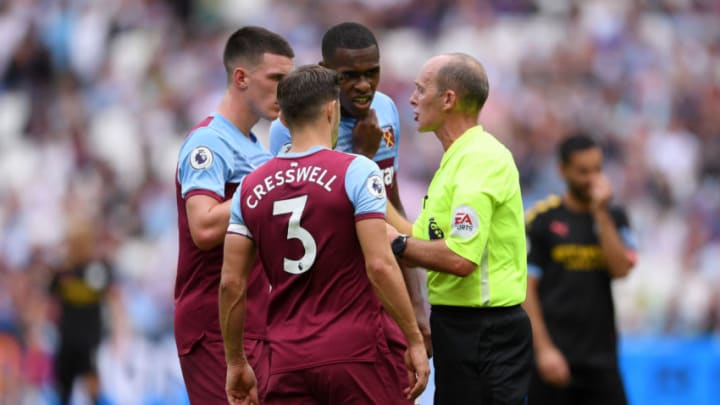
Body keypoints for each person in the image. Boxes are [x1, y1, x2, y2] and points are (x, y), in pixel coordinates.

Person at [220, 65, 429, 405]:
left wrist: (235, 361)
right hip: (357, 353)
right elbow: (380, 265)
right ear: (332, 109)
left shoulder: (249, 188)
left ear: (282, 120)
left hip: (287, 360)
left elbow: (231, 283)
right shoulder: (356, 170)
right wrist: (413, 339)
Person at [269, 20, 431, 380]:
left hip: (382, 291)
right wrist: (361, 158)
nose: (363, 85)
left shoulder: (387, 111)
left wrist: (417, 307)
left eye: (372, 72)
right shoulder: (291, 126)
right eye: (349, 76)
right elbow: (301, 217)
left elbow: (392, 202)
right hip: (326, 301)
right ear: (327, 73)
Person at [386, 53, 533, 404]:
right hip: (459, 327)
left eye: (421, 89)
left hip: (487, 332)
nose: (412, 98)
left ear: (449, 98)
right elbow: (421, 239)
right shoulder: (455, 161)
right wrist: (369, 187)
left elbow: (459, 258)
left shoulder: (480, 158)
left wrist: (395, 245)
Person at [173, 26, 293, 404]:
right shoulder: (208, 142)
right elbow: (204, 227)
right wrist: (267, 182)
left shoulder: (258, 150)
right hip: (214, 324)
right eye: (276, 79)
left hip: (254, 319)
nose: (285, 91)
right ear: (241, 77)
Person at [523, 134, 637, 405]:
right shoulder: (542, 220)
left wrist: (600, 213)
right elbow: (526, 288)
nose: (592, 179)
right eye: (583, 171)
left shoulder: (615, 217)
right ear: (562, 170)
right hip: (553, 358)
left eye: (597, 170)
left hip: (602, 359)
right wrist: (544, 350)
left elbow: (621, 269)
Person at [49, 216, 124, 405]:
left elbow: (114, 300)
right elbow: (49, 302)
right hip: (67, 340)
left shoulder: (98, 270)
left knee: (93, 386)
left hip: (91, 340)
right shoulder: (62, 271)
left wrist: (119, 333)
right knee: (63, 388)